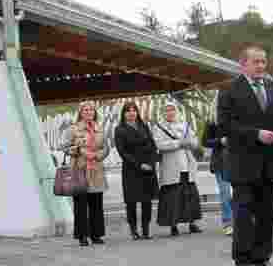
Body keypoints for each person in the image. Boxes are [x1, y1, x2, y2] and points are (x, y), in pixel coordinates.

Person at [217, 45, 273, 266]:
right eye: (256, 62)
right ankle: (242, 260)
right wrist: (256, 134)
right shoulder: (229, 91)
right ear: (243, 64)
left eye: (264, 62)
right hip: (242, 163)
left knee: (266, 212)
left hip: (269, 162)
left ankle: (262, 257)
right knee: (243, 213)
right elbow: (225, 125)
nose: (261, 66)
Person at [153, 100, 203, 237]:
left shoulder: (185, 125)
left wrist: (190, 143)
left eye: (172, 110)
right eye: (167, 110)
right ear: (163, 113)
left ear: (176, 111)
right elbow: (159, 145)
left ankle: (192, 223)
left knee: (190, 196)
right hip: (171, 167)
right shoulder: (159, 127)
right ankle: (173, 226)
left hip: (187, 166)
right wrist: (178, 143)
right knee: (172, 198)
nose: (170, 112)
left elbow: (195, 141)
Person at [65, 101, 110, 246]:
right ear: (80, 112)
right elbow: (65, 147)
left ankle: (96, 235)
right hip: (80, 169)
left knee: (96, 203)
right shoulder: (73, 129)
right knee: (80, 204)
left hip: (96, 169)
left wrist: (98, 155)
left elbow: (106, 147)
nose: (89, 112)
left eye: (91, 110)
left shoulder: (100, 128)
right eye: (85, 110)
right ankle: (82, 235)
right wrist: (79, 150)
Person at [114, 101, 159, 240]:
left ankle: (146, 230)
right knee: (131, 202)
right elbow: (122, 151)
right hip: (131, 169)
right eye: (128, 111)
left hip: (148, 169)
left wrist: (151, 163)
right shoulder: (119, 129)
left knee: (147, 201)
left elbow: (152, 145)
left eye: (134, 110)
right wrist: (139, 164)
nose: (131, 113)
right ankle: (134, 230)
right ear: (124, 114)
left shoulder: (144, 126)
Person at [201, 118, 232, 235]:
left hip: (238, 161)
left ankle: (241, 222)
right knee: (226, 194)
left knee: (242, 193)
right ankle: (228, 223)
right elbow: (204, 141)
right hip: (221, 162)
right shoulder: (212, 121)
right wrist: (220, 141)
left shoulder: (238, 115)